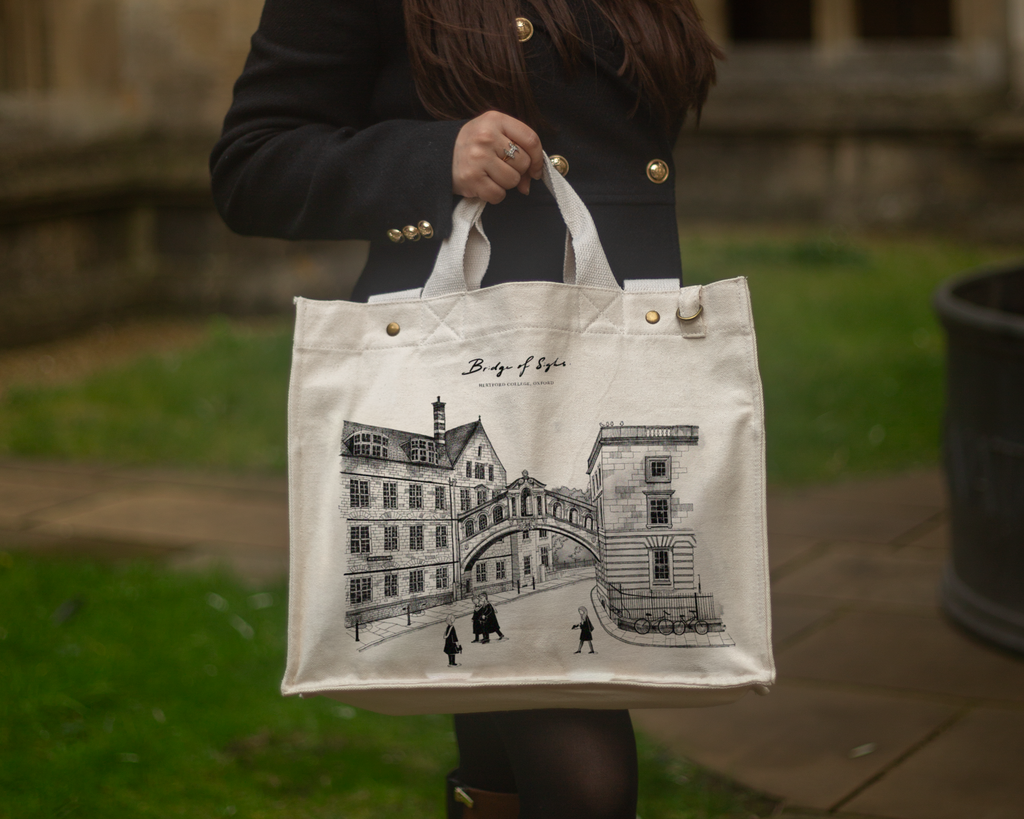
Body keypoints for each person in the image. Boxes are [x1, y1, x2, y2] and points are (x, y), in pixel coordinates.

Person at [211, 2, 721, 816]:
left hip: (607, 359)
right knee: (586, 779)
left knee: (502, 749)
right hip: (472, 356)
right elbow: (251, 164)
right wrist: (431, 156)